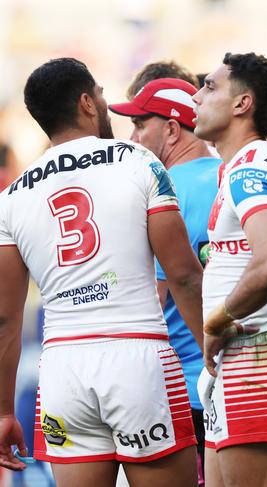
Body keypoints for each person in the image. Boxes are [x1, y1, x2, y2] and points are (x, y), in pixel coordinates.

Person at [0, 57, 203, 486]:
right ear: (87, 102)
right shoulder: (139, 161)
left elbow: (4, 318)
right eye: (104, 96)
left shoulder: (14, 195)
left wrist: (2, 411)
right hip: (138, 357)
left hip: (62, 368)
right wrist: (213, 355)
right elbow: (183, 274)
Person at [192, 52, 267, 487]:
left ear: (242, 104)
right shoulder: (248, 165)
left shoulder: (250, 168)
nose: (196, 96)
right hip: (248, 354)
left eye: (208, 86)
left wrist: (216, 321)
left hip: (261, 353)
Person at [109, 76, 221, 484]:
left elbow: (153, 297)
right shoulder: (232, 174)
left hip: (179, 387)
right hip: (237, 377)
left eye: (141, 125)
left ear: (172, 129)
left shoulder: (162, 188)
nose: (133, 137)